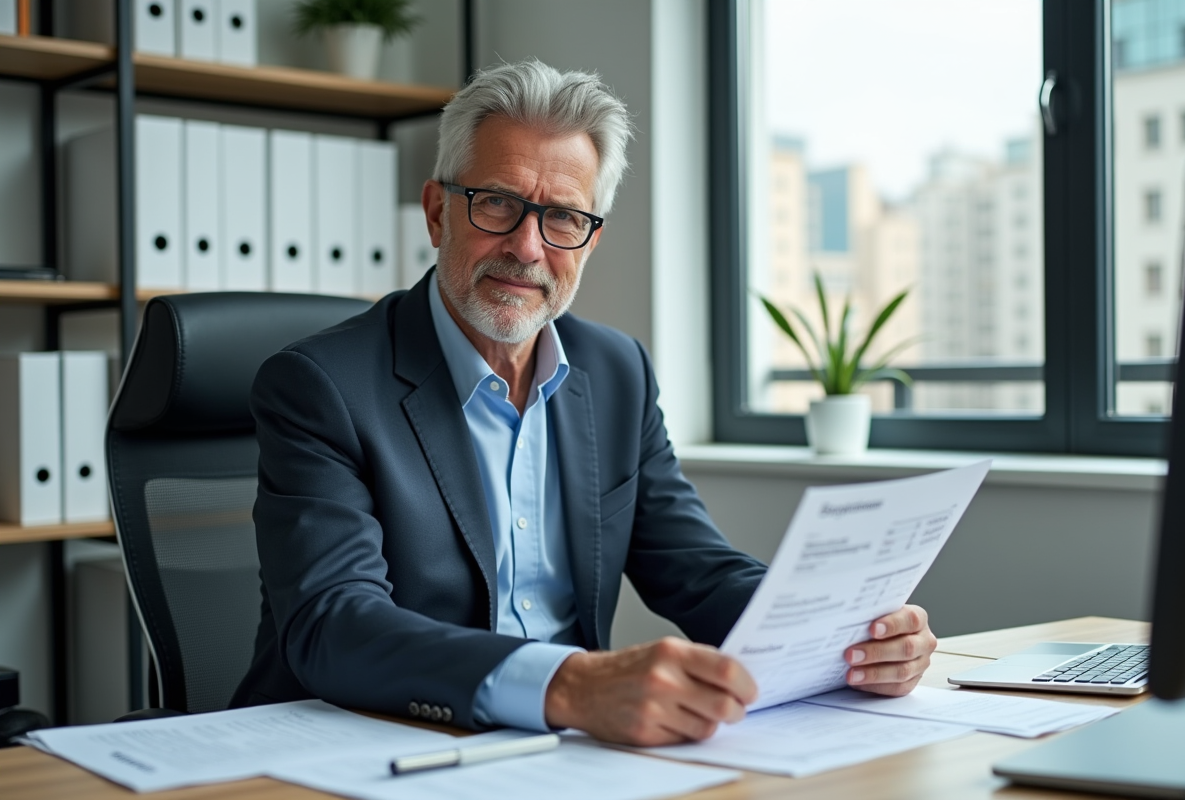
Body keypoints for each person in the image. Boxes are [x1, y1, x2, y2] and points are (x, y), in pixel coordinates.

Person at [231, 59, 936, 746]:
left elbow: (696, 569)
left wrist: (847, 635)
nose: (527, 248)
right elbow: (334, 623)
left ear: (591, 239)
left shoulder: (616, 372)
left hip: (564, 754)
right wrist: (567, 684)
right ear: (438, 212)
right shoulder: (321, 385)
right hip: (356, 746)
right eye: (497, 203)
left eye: (564, 218)